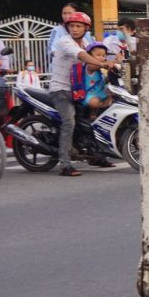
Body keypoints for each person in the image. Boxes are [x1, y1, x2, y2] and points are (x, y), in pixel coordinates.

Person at [47, 11, 119, 177]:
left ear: (86, 28)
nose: (74, 29)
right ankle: (65, 164)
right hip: (61, 89)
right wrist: (102, 64)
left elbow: (98, 54)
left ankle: (95, 155)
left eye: (78, 26)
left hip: (79, 90)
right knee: (69, 122)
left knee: (92, 120)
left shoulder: (86, 42)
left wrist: (113, 62)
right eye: (71, 26)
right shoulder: (64, 41)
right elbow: (83, 56)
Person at [78, 42, 113, 112]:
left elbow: (103, 80)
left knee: (114, 96)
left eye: (103, 56)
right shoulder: (90, 66)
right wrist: (113, 62)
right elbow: (102, 65)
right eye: (98, 55)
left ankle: (101, 111)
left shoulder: (101, 68)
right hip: (89, 94)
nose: (101, 58)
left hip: (101, 92)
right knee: (94, 102)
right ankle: (95, 112)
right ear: (89, 56)